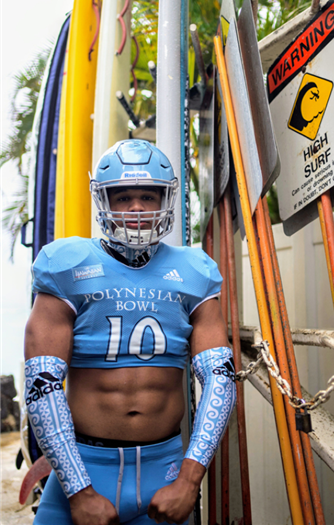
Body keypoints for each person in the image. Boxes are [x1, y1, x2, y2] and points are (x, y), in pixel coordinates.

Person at [23, 139, 232, 524]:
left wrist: (190, 478)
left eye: (147, 196)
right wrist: (79, 490)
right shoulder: (66, 264)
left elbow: (219, 378)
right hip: (84, 469)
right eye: (122, 197)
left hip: (165, 471)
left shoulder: (194, 270)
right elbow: (42, 385)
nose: (136, 208)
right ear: (104, 201)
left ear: (165, 199)